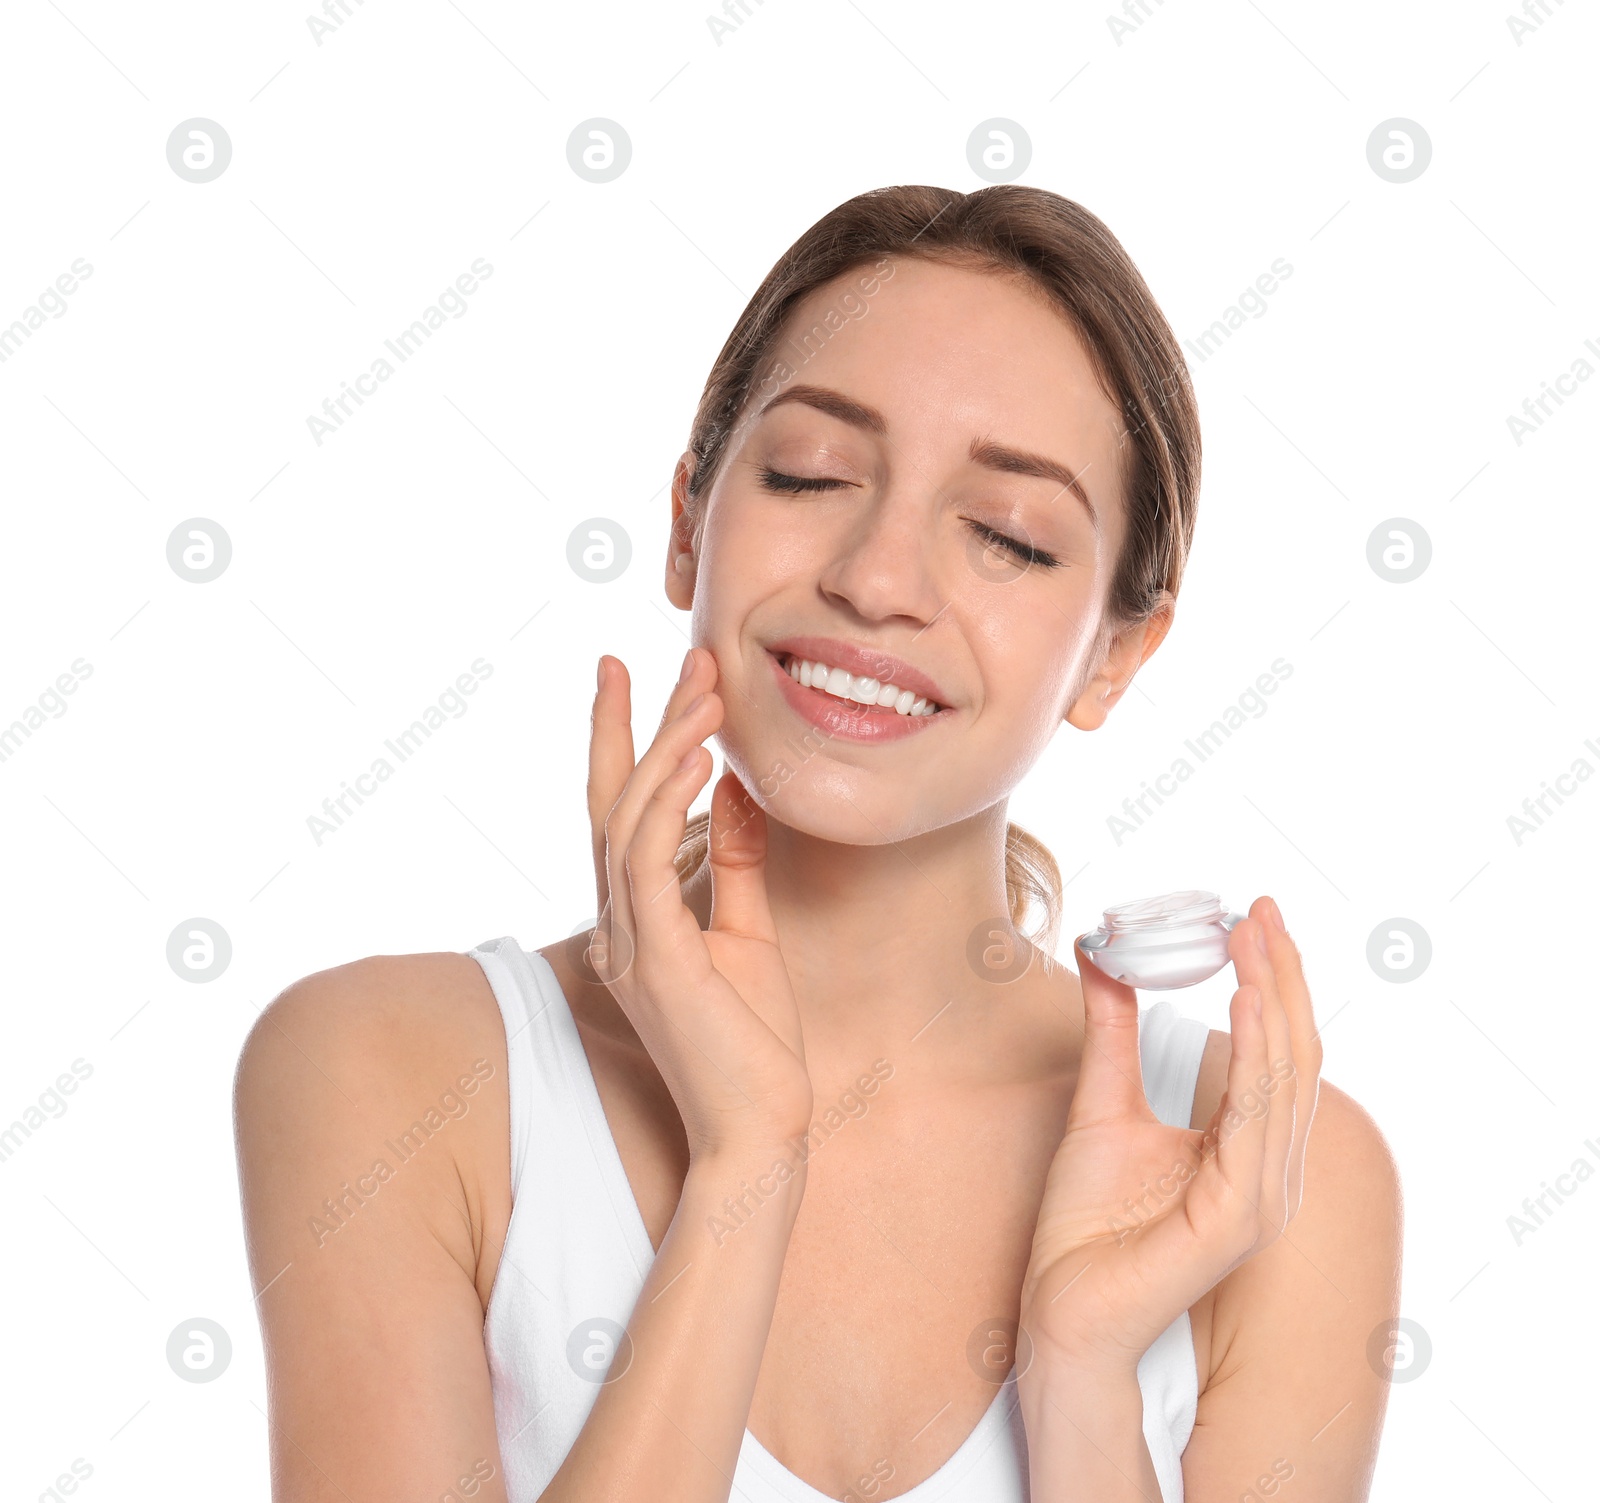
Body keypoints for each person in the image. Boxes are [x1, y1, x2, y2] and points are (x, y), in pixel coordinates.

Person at [234, 184, 1402, 1503]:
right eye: (809, 475)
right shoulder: (386, 1072)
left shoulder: (1265, 1175)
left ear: (1118, 654)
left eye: (1009, 537)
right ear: (688, 523)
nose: (879, 577)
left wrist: (1081, 1377)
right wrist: (743, 1171)